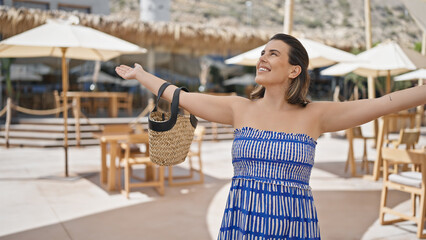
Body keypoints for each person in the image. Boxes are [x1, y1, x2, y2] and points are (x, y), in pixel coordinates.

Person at [116, 33, 426, 239]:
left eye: (273, 54)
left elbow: (384, 103)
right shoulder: (239, 108)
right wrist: (140, 75)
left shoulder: (315, 115)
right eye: (262, 53)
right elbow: (180, 96)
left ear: (294, 70)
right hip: (243, 222)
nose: (262, 58)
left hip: (294, 225)